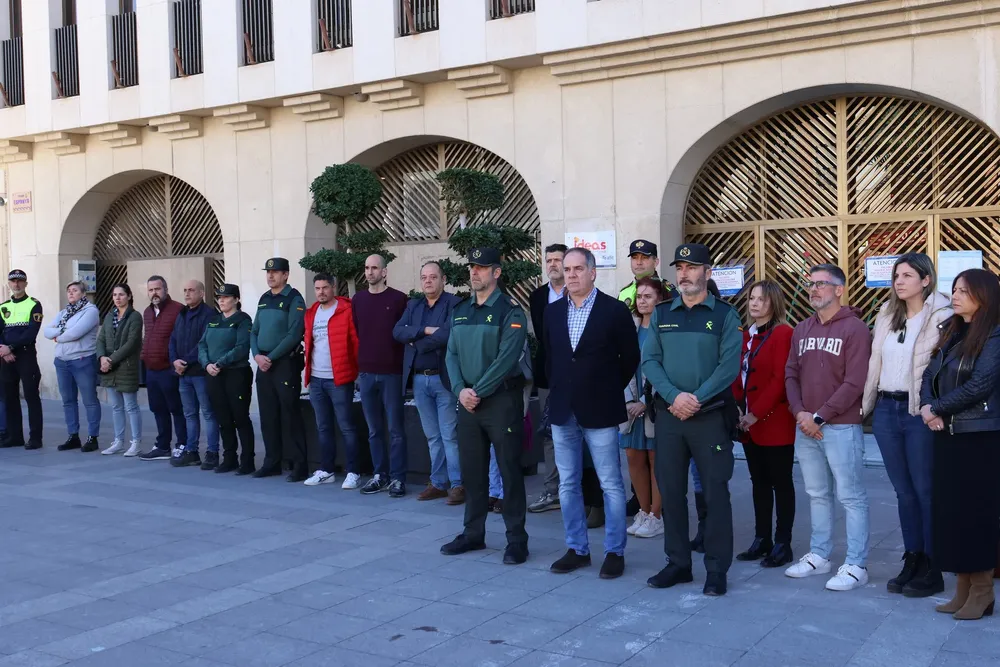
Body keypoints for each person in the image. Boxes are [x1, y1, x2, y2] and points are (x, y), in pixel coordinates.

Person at [641, 243, 742, 596]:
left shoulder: (725, 315)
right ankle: (678, 563)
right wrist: (674, 396)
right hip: (670, 417)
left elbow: (728, 367)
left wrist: (695, 399)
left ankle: (716, 568)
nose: (684, 273)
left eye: (692, 267)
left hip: (709, 417)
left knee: (715, 494)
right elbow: (650, 361)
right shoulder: (662, 313)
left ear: (707, 272)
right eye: (680, 267)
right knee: (671, 492)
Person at [544, 248, 639, 579]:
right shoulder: (553, 312)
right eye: (567, 269)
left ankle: (614, 551)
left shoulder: (614, 310)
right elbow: (550, 358)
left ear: (592, 272)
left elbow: (630, 358)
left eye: (578, 269)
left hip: (600, 409)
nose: (571, 274)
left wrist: (607, 389)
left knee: (610, 483)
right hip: (563, 411)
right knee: (568, 483)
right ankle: (577, 549)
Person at [863, 253, 952, 597]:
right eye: (896, 276)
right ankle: (912, 557)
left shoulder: (943, 315)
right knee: (903, 492)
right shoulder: (887, 313)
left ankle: (932, 564)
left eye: (907, 275)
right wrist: (866, 404)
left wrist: (938, 407)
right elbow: (876, 362)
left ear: (926, 280)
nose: (898, 281)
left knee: (925, 491)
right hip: (886, 410)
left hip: (919, 413)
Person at [784, 263, 872, 591]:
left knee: (851, 496)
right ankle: (819, 555)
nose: (814, 289)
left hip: (841, 427)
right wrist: (800, 413)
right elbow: (790, 374)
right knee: (817, 494)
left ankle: (856, 564)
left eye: (821, 283)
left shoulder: (855, 329)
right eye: (811, 284)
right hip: (805, 426)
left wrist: (818, 417)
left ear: (839, 289)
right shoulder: (801, 329)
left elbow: (855, 382)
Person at [441, 247, 529, 565]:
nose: (474, 272)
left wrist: (476, 391)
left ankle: (517, 540)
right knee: (473, 473)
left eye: (481, 267)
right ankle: (473, 534)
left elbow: (506, 360)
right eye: (472, 267)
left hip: (500, 402)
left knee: (509, 471)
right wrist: (460, 391)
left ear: (496, 272)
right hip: (468, 404)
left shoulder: (511, 311)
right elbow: (451, 355)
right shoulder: (461, 310)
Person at [920, 268, 1000, 620]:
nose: (954, 295)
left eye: (964, 291)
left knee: (975, 515)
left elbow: (980, 385)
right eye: (954, 289)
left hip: (978, 437)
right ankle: (964, 588)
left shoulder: (995, 334)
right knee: (953, 514)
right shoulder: (953, 330)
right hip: (948, 434)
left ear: (984, 295)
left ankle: (982, 592)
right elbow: (928, 373)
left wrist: (938, 408)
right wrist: (928, 408)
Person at [731, 280, 796, 568]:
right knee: (758, 483)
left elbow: (780, 379)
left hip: (774, 421)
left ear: (774, 303)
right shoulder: (746, 335)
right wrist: (738, 408)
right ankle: (762, 538)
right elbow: (737, 374)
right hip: (748, 423)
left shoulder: (783, 333)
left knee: (781, 483)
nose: (755, 303)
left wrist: (755, 413)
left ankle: (783, 543)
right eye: (752, 298)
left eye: (762, 299)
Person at [393, 261, 463, 503]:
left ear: (443, 279)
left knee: (449, 434)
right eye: (424, 277)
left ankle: (458, 484)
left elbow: (448, 334)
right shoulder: (413, 305)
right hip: (419, 381)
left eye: (433, 277)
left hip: (443, 379)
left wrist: (417, 341)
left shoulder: (454, 304)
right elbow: (398, 331)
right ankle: (438, 483)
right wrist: (425, 330)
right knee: (432, 436)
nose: (428, 281)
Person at [353, 254, 409, 497]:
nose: (370, 272)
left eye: (374, 268)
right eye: (367, 268)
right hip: (366, 373)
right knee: (374, 429)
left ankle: (398, 478)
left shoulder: (398, 299)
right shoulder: (358, 299)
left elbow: (404, 334)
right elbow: (359, 330)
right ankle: (380, 475)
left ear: (384, 272)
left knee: (396, 429)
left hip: (392, 373)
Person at [251, 258, 307, 482]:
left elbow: (294, 334)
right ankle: (272, 462)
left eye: (275, 272)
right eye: (268, 272)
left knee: (290, 414)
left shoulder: (294, 298)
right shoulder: (264, 298)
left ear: (286, 275)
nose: (270, 275)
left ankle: (299, 465)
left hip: (284, 363)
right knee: (268, 415)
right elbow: (254, 330)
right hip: (263, 363)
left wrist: (270, 357)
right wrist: (257, 355)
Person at [623, 276, 670, 539]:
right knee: (633, 455)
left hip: (654, 404)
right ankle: (642, 510)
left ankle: (656, 515)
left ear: (659, 299)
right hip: (630, 402)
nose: (642, 301)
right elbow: (619, 364)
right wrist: (629, 400)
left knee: (655, 458)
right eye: (639, 296)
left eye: (648, 296)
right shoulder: (629, 327)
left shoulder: (666, 327)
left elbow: (668, 368)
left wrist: (646, 401)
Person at [303, 273, 360, 489]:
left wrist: (356, 372)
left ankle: (353, 472)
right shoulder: (311, 313)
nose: (321, 292)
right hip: (316, 379)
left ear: (333, 287)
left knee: (347, 426)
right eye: (317, 288)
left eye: (325, 287)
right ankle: (326, 470)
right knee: (323, 427)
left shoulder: (346, 310)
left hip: (339, 379)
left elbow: (356, 343)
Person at [527, 243, 567, 514]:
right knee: (549, 432)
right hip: (547, 374)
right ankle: (552, 490)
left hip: (577, 374)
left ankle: (581, 489)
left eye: (557, 260)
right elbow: (542, 336)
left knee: (580, 431)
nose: (552, 264)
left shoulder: (579, 292)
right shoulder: (538, 296)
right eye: (549, 260)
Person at [199, 284, 255, 475]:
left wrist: (220, 363)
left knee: (240, 417)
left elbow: (242, 347)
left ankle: (247, 460)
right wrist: (207, 364)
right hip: (214, 375)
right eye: (219, 297)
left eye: (226, 297)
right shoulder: (214, 321)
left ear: (236, 300)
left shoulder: (243, 320)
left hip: (236, 374)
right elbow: (202, 345)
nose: (221, 300)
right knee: (223, 418)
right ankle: (229, 458)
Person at [45, 280, 102, 453]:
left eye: (75, 290)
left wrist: (57, 336)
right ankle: (73, 436)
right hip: (62, 361)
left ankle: (92, 437)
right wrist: (60, 332)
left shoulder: (90, 311)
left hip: (82, 360)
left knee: (89, 400)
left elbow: (76, 333)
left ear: (83, 294)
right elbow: (47, 331)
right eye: (68, 290)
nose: (70, 293)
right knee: (68, 401)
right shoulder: (64, 312)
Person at [170, 280, 219, 469]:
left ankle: (212, 453)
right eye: (185, 290)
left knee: (208, 413)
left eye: (191, 290)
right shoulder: (181, 313)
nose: (187, 293)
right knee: (190, 414)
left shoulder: (209, 314)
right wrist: (175, 361)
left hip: (200, 373)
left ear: (201, 293)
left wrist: (185, 362)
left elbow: (204, 343)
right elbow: (173, 339)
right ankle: (192, 452)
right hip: (183, 374)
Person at [138, 275, 186, 461]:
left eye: (157, 289)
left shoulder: (178, 309)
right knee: (158, 408)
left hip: (169, 368)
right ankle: (162, 445)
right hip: (151, 369)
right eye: (151, 290)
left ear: (165, 290)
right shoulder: (147, 312)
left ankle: (182, 444)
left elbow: (181, 339)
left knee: (176, 408)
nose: (154, 293)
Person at [0, 269, 44, 450]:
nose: (16, 284)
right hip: (6, 357)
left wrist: (10, 347)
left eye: (20, 281)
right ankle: (15, 436)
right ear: (9, 284)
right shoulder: (3, 307)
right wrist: (3, 350)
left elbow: (31, 332)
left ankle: (35, 438)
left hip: (26, 355)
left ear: (26, 283)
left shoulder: (34, 304)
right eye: (13, 281)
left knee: (31, 396)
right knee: (9, 397)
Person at [97, 284, 144, 456]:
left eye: (121, 294)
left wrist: (111, 359)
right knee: (116, 406)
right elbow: (100, 339)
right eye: (115, 295)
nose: (117, 298)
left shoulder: (135, 316)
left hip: (126, 367)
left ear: (129, 296)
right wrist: (102, 357)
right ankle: (118, 441)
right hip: (109, 368)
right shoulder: (110, 315)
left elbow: (132, 343)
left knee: (131, 406)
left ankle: (136, 442)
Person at [617, 239, 661, 310]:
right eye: (634, 258)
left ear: (655, 262)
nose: (639, 262)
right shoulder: (624, 293)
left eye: (644, 257)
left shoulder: (666, 289)